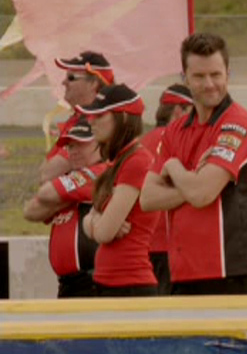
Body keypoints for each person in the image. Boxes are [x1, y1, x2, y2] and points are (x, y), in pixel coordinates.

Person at [139, 33, 247, 295]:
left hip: (228, 272)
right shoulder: (175, 130)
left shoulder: (237, 124)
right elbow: (148, 198)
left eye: (216, 75)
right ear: (184, 78)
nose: (209, 84)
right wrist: (194, 181)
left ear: (228, 74)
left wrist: (174, 167)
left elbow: (202, 194)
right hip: (181, 271)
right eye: (199, 76)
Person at [77, 84, 159, 296]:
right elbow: (92, 222)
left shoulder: (137, 161)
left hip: (130, 283)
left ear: (123, 117)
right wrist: (96, 219)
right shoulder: (118, 161)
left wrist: (94, 220)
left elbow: (104, 232)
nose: (90, 121)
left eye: (99, 115)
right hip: (111, 281)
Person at [22, 120, 109, 297]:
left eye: (80, 144)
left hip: (92, 281)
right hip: (68, 284)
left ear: (98, 144)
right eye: (70, 146)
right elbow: (31, 211)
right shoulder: (70, 179)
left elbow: (46, 192)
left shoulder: (100, 172)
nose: (73, 151)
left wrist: (61, 196)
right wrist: (69, 197)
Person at [139, 84, 193, 295]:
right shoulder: (177, 140)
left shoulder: (142, 143)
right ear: (179, 111)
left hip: (144, 243)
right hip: (170, 243)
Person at [40, 51, 115, 183]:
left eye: (71, 77)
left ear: (93, 84)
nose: (64, 82)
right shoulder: (80, 117)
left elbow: (48, 173)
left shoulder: (97, 120)